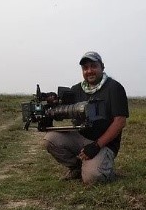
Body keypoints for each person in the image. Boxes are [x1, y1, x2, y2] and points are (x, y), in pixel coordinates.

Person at [43, 51, 129, 184]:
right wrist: (51, 106)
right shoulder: (76, 89)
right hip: (80, 138)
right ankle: (77, 167)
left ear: (102, 67)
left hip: (104, 144)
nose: (89, 71)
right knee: (50, 139)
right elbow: (62, 113)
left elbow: (120, 121)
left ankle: (104, 170)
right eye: (85, 68)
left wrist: (96, 145)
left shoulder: (115, 88)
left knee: (92, 178)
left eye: (93, 66)